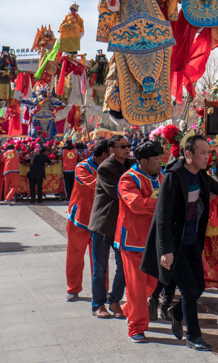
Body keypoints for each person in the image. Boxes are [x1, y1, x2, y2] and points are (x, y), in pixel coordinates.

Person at [142, 135, 218, 351]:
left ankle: (176, 314)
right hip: (175, 245)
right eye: (203, 153)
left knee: (200, 287)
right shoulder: (174, 177)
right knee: (188, 291)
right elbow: (163, 217)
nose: (207, 157)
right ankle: (194, 337)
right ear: (188, 154)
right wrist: (166, 250)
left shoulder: (200, 174)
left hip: (192, 242)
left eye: (208, 152)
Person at [97, 0, 178, 126]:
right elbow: (108, 5)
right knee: (119, 66)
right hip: (125, 27)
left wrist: (173, 12)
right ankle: (116, 105)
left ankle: (155, 103)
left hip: (153, 26)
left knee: (155, 64)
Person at [115, 140, 165, 343]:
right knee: (136, 286)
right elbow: (136, 204)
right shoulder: (128, 179)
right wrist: (164, 203)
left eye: (161, 158)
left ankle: (129, 308)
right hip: (133, 240)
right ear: (143, 161)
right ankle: (136, 328)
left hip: (153, 240)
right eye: (156, 159)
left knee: (151, 284)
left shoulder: (161, 176)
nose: (160, 162)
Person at [88, 134, 133, 319]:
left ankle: (114, 300)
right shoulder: (106, 167)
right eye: (122, 146)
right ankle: (97, 304)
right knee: (100, 268)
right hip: (103, 223)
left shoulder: (132, 165)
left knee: (123, 267)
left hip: (121, 225)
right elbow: (119, 193)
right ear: (112, 150)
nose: (127, 149)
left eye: (128, 145)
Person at [66, 140, 108, 302]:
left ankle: (102, 290)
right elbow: (95, 184)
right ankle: (73, 288)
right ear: (104, 155)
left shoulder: (109, 167)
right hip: (80, 219)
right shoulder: (82, 167)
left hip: (99, 219)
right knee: (75, 257)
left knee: (100, 258)